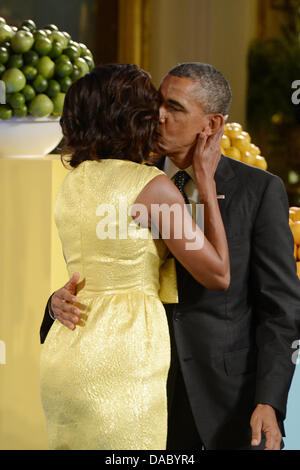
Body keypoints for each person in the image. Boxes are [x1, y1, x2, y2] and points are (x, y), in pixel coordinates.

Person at [40, 62, 300, 450]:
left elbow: (281, 308)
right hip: (134, 387)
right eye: (157, 103)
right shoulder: (131, 179)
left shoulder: (258, 191)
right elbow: (96, 270)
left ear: (211, 125)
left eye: (174, 108)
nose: (158, 116)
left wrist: (270, 401)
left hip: (225, 398)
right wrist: (54, 304)